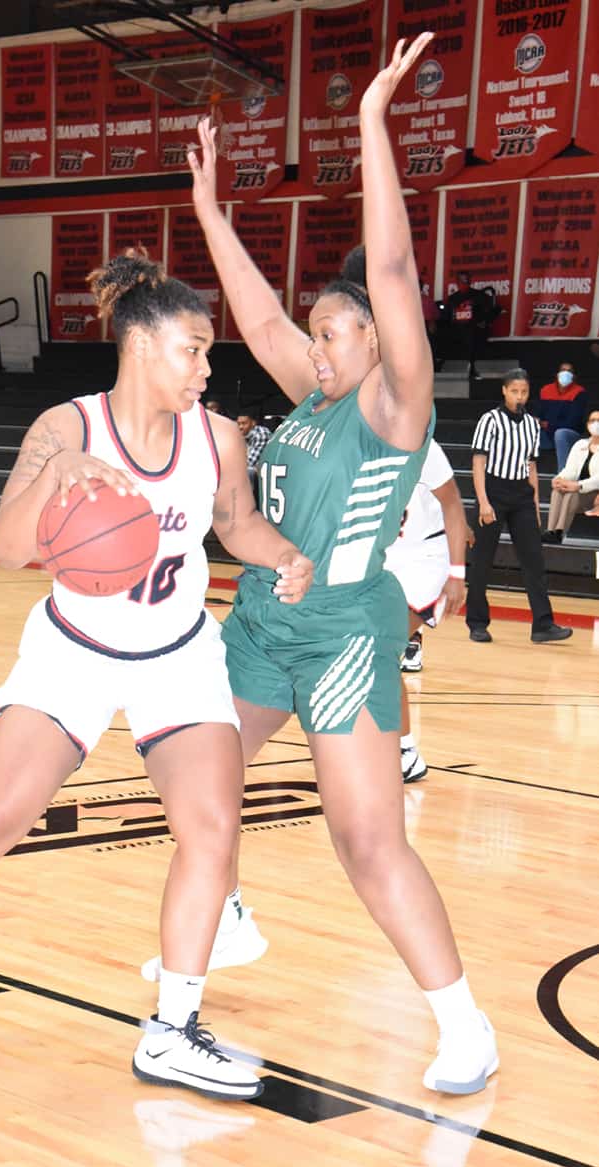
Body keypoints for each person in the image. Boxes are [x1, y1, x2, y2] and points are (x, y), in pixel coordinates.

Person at [0, 249, 314, 1102]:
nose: (205, 366)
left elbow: (237, 525)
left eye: (207, 352)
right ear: (142, 346)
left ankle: (173, 1031)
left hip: (179, 651)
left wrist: (284, 556)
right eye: (192, 348)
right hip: (72, 649)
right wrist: (57, 476)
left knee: (212, 831)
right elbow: (8, 551)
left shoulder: (218, 436)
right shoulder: (66, 428)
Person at [169, 34, 498, 1096]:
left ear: (376, 340)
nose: (312, 344)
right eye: (313, 333)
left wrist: (368, 128)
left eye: (333, 330)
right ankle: (220, 917)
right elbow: (257, 314)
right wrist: (214, 213)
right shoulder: (311, 396)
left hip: (345, 630)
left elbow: (392, 269)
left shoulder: (396, 411)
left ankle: (461, 1025)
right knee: (186, 769)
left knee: (365, 842)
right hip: (260, 617)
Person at [467, 368, 572, 644]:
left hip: (522, 495)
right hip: (494, 489)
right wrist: (483, 502)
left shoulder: (531, 424)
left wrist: (535, 505)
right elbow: (478, 462)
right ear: (504, 391)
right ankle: (477, 622)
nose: (519, 396)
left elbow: (532, 466)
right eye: (514, 391)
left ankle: (543, 625)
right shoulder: (489, 420)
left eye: (524, 391)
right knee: (482, 560)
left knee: (534, 560)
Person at [384, 440, 469, 782]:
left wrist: (457, 574)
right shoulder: (358, 439)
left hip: (425, 560)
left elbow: (452, 504)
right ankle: (383, 743)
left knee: (380, 651)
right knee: (365, 653)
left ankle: (406, 751)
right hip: (385, 559)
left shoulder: (422, 445)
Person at [542, 409, 599, 543]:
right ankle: (550, 531)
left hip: (594, 494)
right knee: (558, 490)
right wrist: (559, 479)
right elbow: (570, 470)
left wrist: (578, 485)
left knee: (571, 493)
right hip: (578, 491)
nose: (595, 424)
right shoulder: (580, 445)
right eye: (592, 420)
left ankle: (560, 532)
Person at [536, 362, 589, 471]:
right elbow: (538, 414)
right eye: (563, 370)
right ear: (557, 374)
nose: (565, 373)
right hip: (547, 435)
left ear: (574, 376)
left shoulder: (579, 392)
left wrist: (548, 424)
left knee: (560, 433)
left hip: (569, 435)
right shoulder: (546, 390)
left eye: (569, 371)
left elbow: (572, 423)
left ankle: (563, 477)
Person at [441, 272, 493, 377]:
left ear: (470, 281)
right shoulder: (452, 299)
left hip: (473, 330)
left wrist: (483, 321)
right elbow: (447, 316)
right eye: (461, 280)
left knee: (472, 337)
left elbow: (488, 311)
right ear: (457, 282)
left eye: (466, 280)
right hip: (457, 330)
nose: (464, 283)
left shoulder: (479, 296)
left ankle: (473, 369)